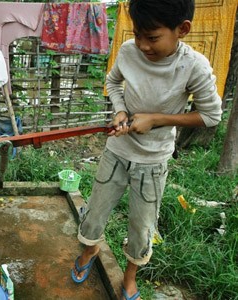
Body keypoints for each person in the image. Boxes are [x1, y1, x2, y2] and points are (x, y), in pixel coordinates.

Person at [71, 0, 222, 299]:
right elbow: (113, 82)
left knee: (141, 225)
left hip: (153, 161)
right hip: (117, 151)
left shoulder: (193, 66)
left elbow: (211, 115)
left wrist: (156, 119)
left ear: (183, 29)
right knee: (96, 210)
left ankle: (129, 276)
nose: (142, 45)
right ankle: (90, 249)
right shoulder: (129, 51)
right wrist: (120, 111)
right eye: (138, 34)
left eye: (152, 37)